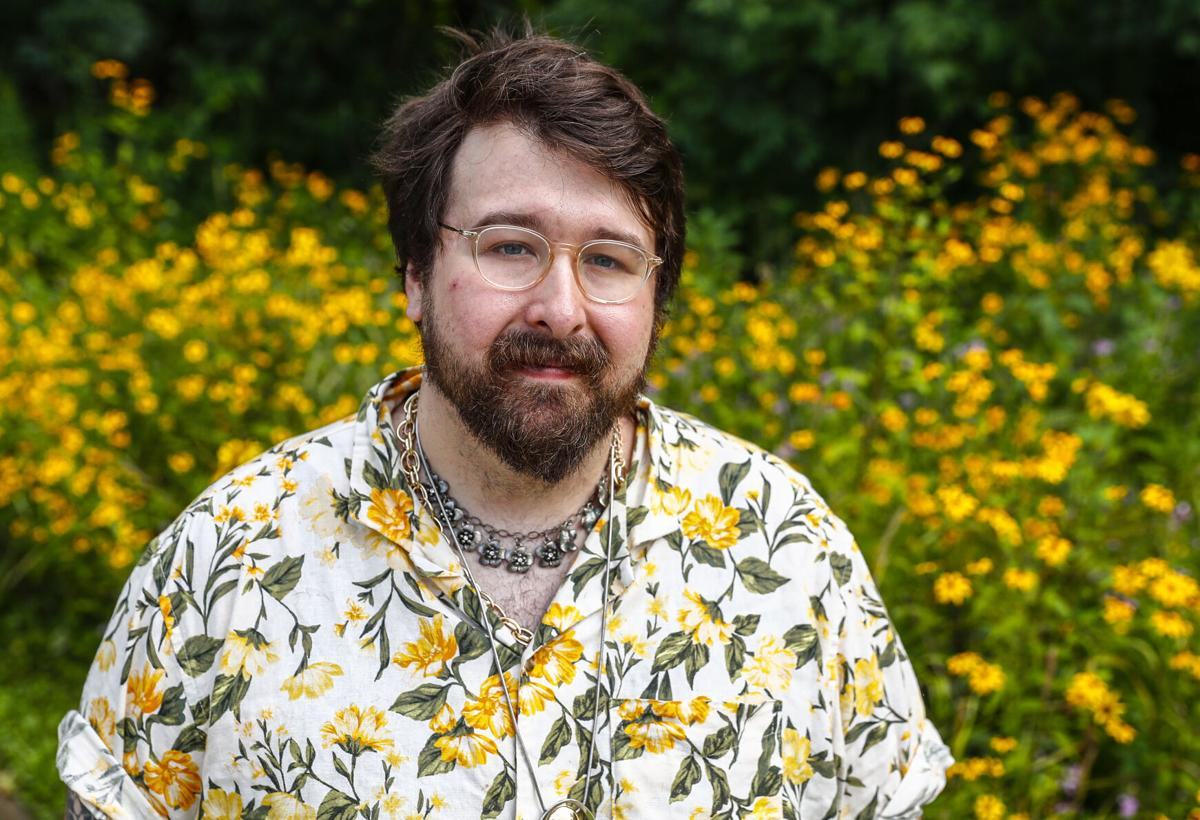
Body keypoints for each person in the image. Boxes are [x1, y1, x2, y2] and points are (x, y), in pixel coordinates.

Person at [59, 28, 952, 820]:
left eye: (608, 259)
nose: (561, 308)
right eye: (511, 245)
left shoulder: (791, 552)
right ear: (414, 270)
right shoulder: (220, 565)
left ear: (657, 296)